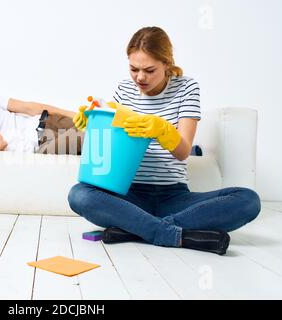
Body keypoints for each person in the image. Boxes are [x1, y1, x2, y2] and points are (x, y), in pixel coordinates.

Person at [67, 27, 261, 255]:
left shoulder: (187, 88)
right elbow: (114, 148)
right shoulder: (124, 90)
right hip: (129, 196)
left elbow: (183, 151)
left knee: (248, 200)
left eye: (149, 70)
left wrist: (162, 129)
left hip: (174, 197)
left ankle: (135, 228)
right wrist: (94, 123)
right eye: (133, 69)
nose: (140, 77)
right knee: (79, 194)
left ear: (167, 63)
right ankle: (168, 232)